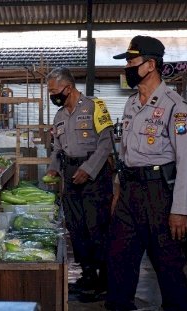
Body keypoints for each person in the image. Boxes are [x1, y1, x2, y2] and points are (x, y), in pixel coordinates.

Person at [85, 36, 187, 311]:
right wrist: (119, 189)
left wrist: (181, 209)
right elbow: (126, 153)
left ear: (151, 65)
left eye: (132, 63)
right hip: (130, 190)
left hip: (159, 192)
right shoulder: (132, 103)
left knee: (166, 258)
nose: (127, 68)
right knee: (119, 255)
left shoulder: (176, 107)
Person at [45, 67, 114, 297]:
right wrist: (53, 169)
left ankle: (105, 281)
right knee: (76, 228)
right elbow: (57, 148)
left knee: (97, 228)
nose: (52, 96)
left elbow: (106, 144)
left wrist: (88, 169)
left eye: (55, 91)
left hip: (94, 175)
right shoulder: (59, 116)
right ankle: (87, 276)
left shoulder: (96, 107)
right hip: (70, 174)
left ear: (69, 88)